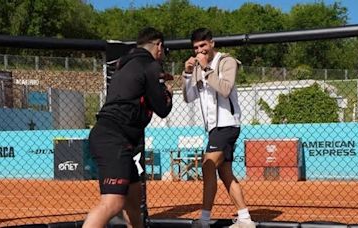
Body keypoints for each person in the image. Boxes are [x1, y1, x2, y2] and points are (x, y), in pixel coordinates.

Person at [83, 27, 173, 228]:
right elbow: (163, 109)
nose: (162, 54)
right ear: (158, 46)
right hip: (114, 139)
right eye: (163, 50)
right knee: (112, 203)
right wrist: (167, 91)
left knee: (133, 199)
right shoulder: (150, 65)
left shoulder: (125, 64)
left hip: (110, 135)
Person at [182, 28, 255, 228]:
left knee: (207, 166)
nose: (200, 50)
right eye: (196, 47)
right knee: (225, 174)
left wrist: (206, 69)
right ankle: (245, 220)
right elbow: (189, 98)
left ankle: (204, 220)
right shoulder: (197, 67)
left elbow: (224, 90)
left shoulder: (227, 62)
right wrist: (188, 74)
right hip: (214, 129)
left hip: (228, 125)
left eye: (203, 45)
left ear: (212, 43)